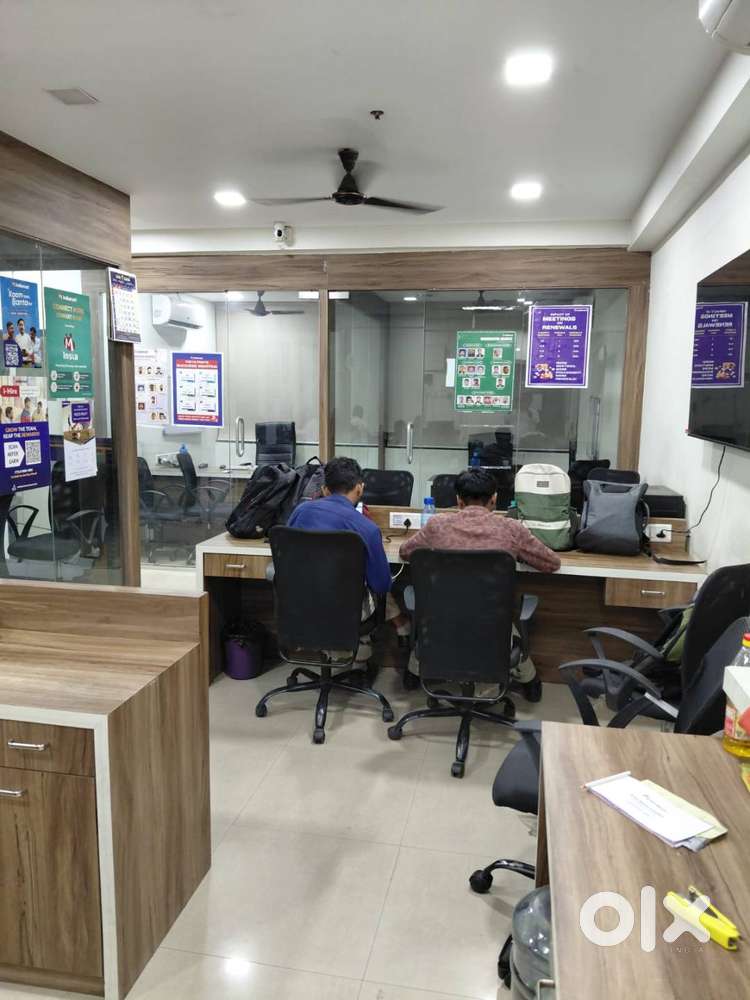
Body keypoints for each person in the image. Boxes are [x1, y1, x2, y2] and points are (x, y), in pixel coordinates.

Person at [399, 467, 561, 701]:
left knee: (437, 617)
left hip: (442, 623)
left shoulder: (437, 525)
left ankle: (414, 672)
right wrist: (519, 553)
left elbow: (405, 552)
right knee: (505, 623)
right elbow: (552, 563)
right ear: (494, 499)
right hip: (492, 626)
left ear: (458, 500)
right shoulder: (511, 529)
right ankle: (529, 681)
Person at [287, 456, 397, 663]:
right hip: (347, 612)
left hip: (299, 606)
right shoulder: (367, 528)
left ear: (325, 489)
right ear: (359, 488)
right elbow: (381, 585)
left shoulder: (300, 512)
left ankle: (345, 653)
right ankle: (365, 649)